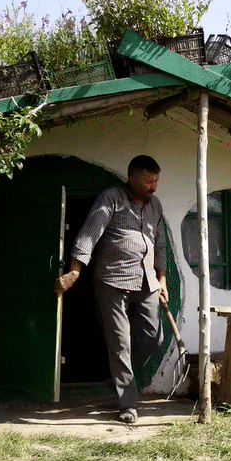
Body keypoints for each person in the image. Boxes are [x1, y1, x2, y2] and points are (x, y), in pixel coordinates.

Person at [54, 155, 169, 425]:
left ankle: (119, 377)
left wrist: (162, 280)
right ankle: (128, 404)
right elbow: (88, 235)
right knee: (120, 344)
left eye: (156, 181)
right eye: (149, 181)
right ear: (133, 178)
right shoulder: (111, 199)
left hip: (147, 282)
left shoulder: (156, 206)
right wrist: (74, 272)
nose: (154, 187)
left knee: (154, 337)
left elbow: (160, 244)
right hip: (112, 281)